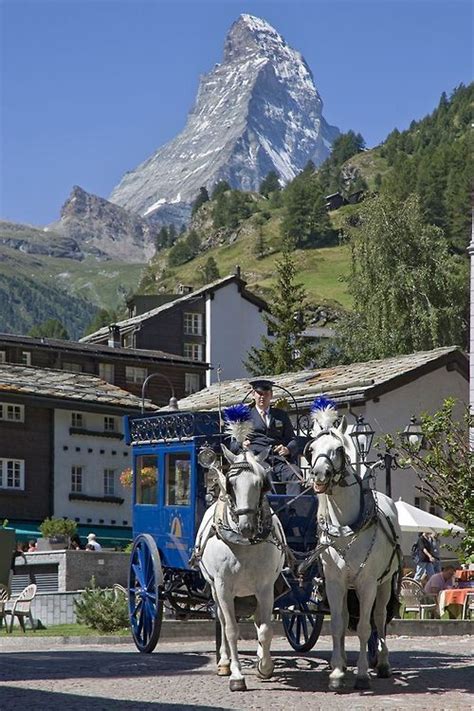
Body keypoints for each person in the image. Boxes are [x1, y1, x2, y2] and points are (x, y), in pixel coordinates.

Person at [229, 379, 303, 494]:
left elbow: (292, 440)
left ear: (271, 395)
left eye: (266, 394)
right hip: (256, 461)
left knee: (295, 473)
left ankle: (294, 509)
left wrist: (287, 449)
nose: (262, 397)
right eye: (259, 394)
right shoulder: (244, 416)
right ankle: (273, 509)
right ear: (253, 394)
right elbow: (232, 445)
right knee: (268, 475)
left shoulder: (280, 415)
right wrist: (241, 444)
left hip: (279, 461)